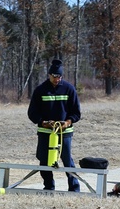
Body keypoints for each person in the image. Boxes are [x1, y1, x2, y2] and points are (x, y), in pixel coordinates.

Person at [27, 59, 81, 192]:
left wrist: (67, 122)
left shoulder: (69, 89)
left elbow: (76, 113)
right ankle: (49, 187)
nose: (57, 79)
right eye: (54, 76)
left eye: (59, 77)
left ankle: (74, 188)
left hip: (64, 133)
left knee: (67, 160)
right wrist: (43, 122)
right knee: (44, 161)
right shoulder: (40, 90)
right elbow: (32, 112)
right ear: (49, 75)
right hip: (45, 133)